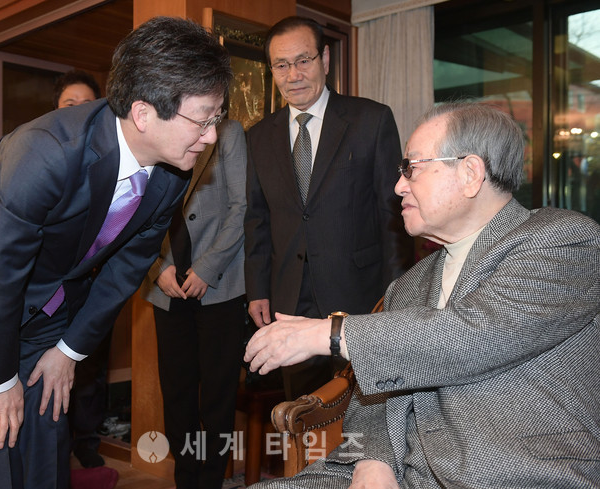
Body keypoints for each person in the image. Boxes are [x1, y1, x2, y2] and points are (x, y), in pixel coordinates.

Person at [0, 16, 231, 489]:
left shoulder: (172, 169)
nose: (211, 137)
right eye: (202, 120)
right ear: (143, 114)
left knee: (45, 431)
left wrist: (68, 350)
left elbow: (127, 267)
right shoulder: (45, 151)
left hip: (47, 302)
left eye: (216, 119)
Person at [244, 102, 600, 488]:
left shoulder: (562, 241)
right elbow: (374, 392)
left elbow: (473, 334)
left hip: (516, 475)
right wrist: (373, 458)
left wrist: (329, 333)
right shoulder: (408, 285)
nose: (398, 186)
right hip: (406, 474)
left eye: (411, 168)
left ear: (470, 174)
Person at [244, 16, 412, 400]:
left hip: (359, 296)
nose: (293, 75)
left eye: (303, 60)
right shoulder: (259, 136)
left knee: (363, 409)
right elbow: (257, 218)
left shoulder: (370, 120)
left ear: (325, 59)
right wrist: (257, 289)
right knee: (304, 411)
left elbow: (392, 215)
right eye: (281, 65)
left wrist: (396, 296)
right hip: (289, 298)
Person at [140, 118, 247, 489]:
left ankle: (212, 480)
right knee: (177, 394)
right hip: (166, 285)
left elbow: (240, 207)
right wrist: (157, 268)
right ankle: (186, 480)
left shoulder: (227, 133)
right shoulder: (153, 130)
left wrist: (207, 268)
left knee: (218, 397)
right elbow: (136, 210)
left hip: (220, 283)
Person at [52, 69, 111, 469]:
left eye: (86, 104)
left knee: (90, 366)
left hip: (94, 282)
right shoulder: (43, 153)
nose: (77, 111)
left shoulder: (112, 156)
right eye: (68, 103)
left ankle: (87, 439)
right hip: (48, 290)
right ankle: (55, 441)